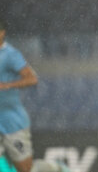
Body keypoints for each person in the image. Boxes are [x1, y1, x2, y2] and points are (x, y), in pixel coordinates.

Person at [0, 18, 70, 172]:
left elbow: (32, 79)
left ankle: (56, 168)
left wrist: (7, 85)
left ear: (2, 33)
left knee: (26, 170)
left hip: (12, 122)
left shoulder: (10, 55)